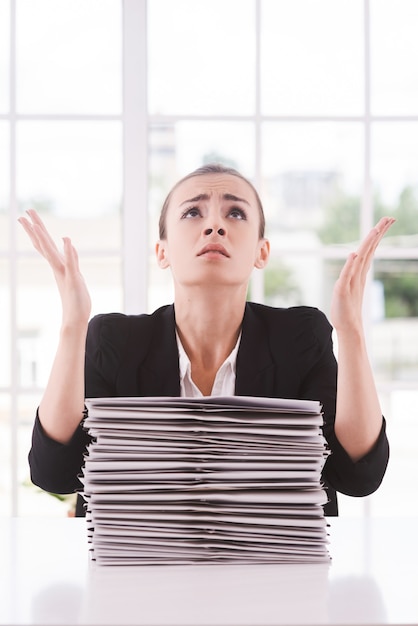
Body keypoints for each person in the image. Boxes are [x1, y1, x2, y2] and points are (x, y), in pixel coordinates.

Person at [19, 163, 393, 517]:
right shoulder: (114, 341)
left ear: (261, 252)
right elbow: (54, 472)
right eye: (193, 213)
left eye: (235, 213)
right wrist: (72, 325)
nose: (214, 224)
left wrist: (351, 332)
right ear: (162, 252)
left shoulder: (300, 337)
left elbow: (359, 475)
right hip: (139, 575)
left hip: (275, 575)